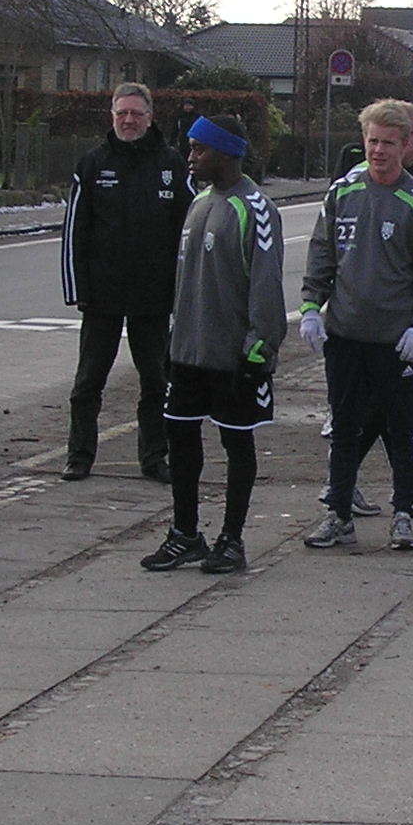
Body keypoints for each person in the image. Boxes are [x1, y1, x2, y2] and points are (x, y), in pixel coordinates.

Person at [301, 99, 413, 553]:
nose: (379, 151)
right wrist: (310, 307)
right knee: (344, 428)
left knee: (400, 430)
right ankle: (339, 514)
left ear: (405, 146)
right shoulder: (343, 193)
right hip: (345, 336)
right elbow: (321, 253)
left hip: (395, 342)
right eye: (372, 141)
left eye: (388, 143)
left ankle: (403, 514)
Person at [141, 115, 286, 575]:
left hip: (234, 357)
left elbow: (266, 284)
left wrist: (259, 347)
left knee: (236, 442)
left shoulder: (255, 208)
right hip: (189, 351)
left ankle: (232, 539)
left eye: (199, 149)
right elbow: (185, 279)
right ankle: (185, 533)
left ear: (226, 153)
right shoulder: (199, 203)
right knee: (181, 437)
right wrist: (174, 338)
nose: (191, 157)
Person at [61, 82, 189, 483]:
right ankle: (79, 455)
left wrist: (183, 291)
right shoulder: (92, 164)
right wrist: (77, 289)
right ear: (112, 116)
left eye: (135, 113)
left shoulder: (171, 164)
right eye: (122, 113)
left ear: (150, 117)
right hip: (103, 295)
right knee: (88, 381)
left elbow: (188, 228)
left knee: (156, 381)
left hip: (153, 296)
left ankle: (154, 457)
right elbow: (74, 231)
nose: (128, 121)